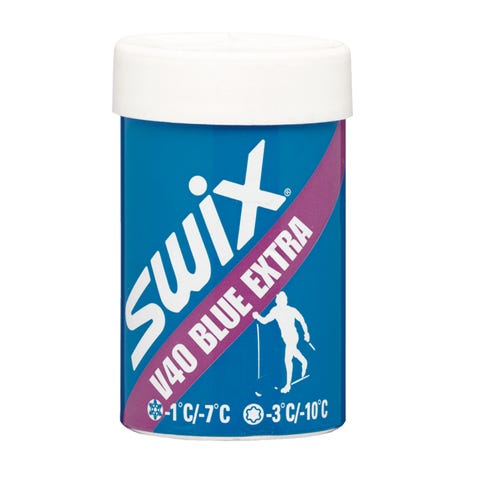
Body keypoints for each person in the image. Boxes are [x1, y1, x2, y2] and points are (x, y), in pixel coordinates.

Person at [253, 291, 310, 393]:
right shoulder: (275, 310)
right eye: (277, 298)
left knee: (288, 360)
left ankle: (288, 385)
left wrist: (306, 333)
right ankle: (304, 361)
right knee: (293, 352)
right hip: (286, 337)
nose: (276, 300)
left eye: (278, 298)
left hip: (293, 336)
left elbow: (302, 320)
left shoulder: (291, 310)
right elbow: (265, 321)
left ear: (283, 300)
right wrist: (257, 317)